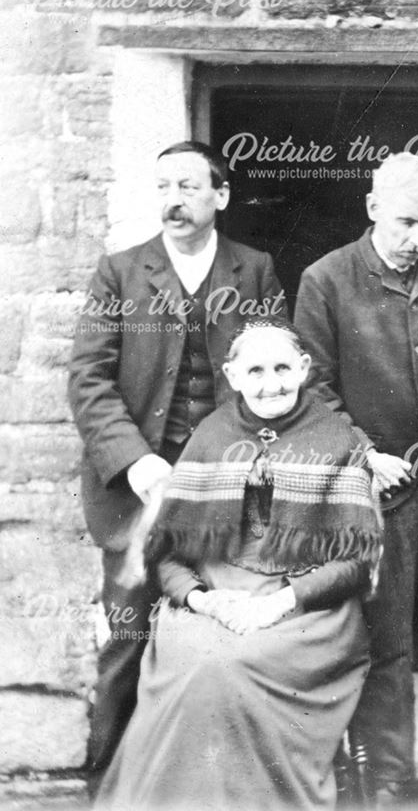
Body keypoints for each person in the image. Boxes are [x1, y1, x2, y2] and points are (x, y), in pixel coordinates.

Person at [67, 141, 285, 793]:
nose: (173, 200)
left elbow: (278, 379)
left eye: (189, 186)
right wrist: (137, 464)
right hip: (138, 496)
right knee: (127, 642)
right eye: (163, 185)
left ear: (220, 195)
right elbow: (89, 381)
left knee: (227, 644)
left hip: (228, 490)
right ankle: (106, 787)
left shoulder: (255, 272)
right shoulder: (121, 274)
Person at [95, 320, 382, 811]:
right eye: (256, 370)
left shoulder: (337, 440)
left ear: (305, 369)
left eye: (282, 368)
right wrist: (202, 599)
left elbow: (355, 562)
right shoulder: (212, 436)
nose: (271, 383)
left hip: (307, 606)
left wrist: (278, 604)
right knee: (198, 664)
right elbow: (166, 554)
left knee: (233, 666)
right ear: (232, 375)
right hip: (211, 597)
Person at [294, 152, 418, 802]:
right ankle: (386, 779)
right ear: (373, 208)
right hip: (383, 480)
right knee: (387, 634)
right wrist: (361, 455)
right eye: (406, 222)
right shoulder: (326, 280)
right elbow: (310, 390)